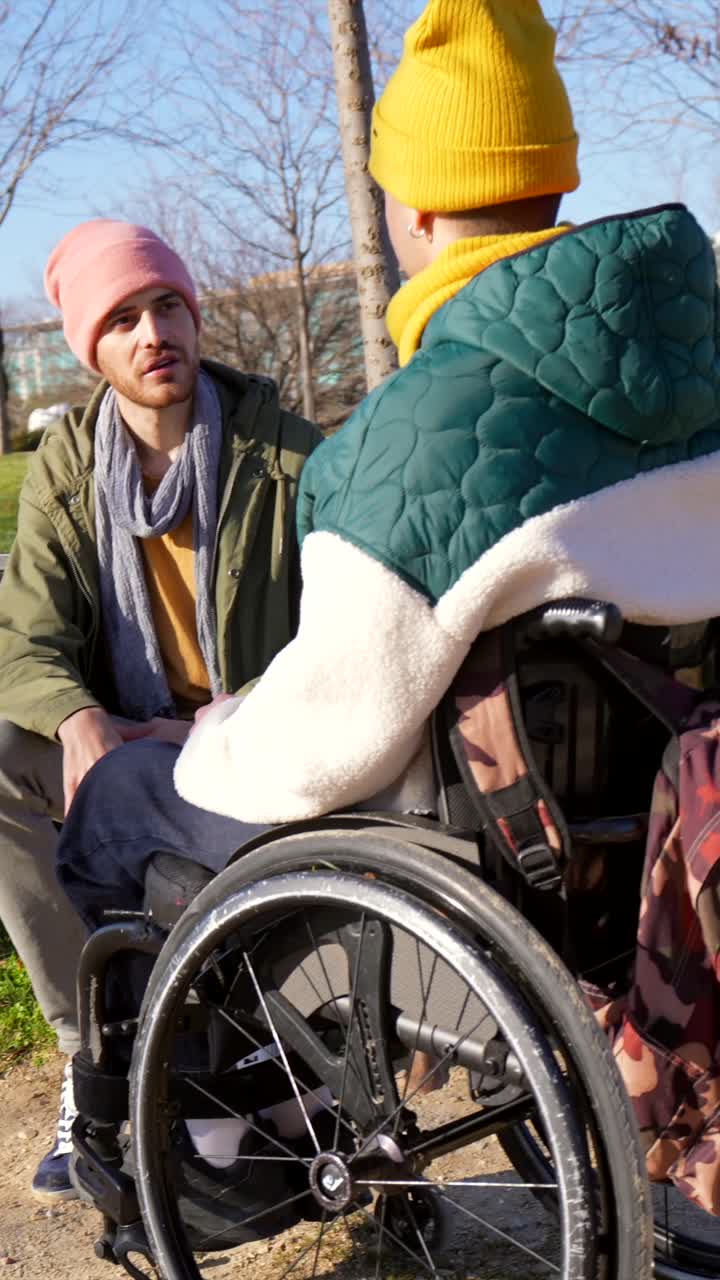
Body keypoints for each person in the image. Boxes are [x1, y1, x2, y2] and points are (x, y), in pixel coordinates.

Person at [58, 0, 720, 1100]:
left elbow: (328, 744)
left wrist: (210, 735)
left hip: (487, 860)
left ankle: (216, 1114)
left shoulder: (420, 435)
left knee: (123, 798)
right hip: (646, 837)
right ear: (554, 174)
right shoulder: (699, 376)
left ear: (410, 204)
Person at [0, 219, 319, 1201]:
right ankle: (90, 1050)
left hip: (260, 738)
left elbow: (350, 631)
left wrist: (224, 721)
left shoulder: (284, 454)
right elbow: (26, 630)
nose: (153, 333)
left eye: (168, 306)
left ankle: (250, 1065)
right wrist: (75, 717)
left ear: (194, 314)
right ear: (92, 350)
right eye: (124, 318)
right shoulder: (68, 467)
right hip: (129, 734)